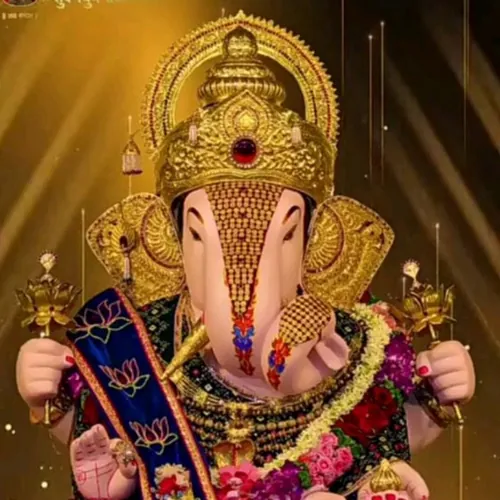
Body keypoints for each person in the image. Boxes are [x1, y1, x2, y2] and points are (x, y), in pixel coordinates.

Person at [15, 12, 475, 500]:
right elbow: (103, 448)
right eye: (199, 236)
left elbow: (382, 455)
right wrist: (51, 400)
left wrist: (437, 395)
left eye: (286, 235)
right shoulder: (127, 342)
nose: (242, 268)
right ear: (166, 239)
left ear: (320, 238)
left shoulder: (358, 342)